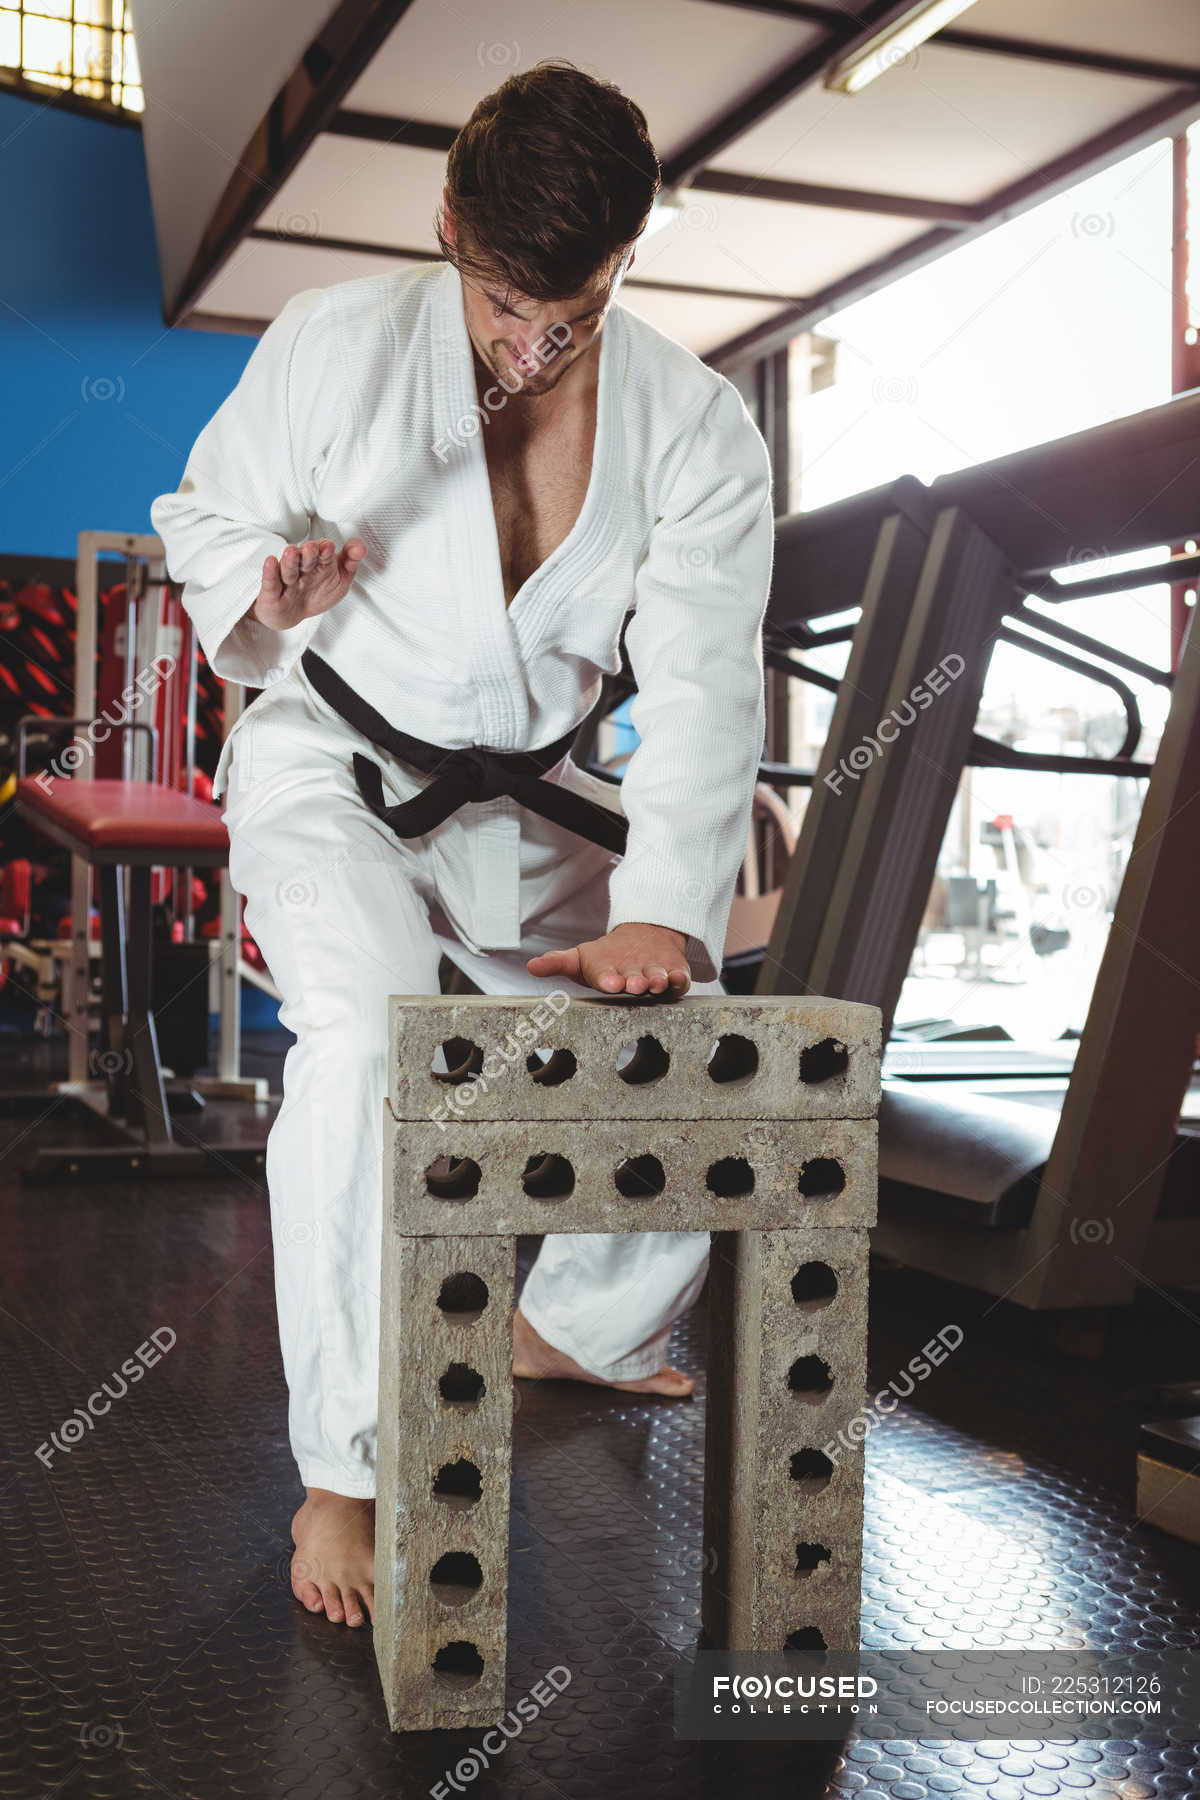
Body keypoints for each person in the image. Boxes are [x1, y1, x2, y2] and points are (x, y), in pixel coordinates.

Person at [150, 59, 773, 1633]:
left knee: (691, 1037)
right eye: (506, 304)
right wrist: (266, 591)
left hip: (527, 801)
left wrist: (666, 914)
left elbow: (704, 684)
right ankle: (345, 1469)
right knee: (367, 1037)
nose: (536, 344)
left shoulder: (698, 428)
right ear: (447, 225)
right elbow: (202, 514)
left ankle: (568, 1326)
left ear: (629, 256)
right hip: (331, 766)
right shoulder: (330, 343)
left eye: (578, 308)